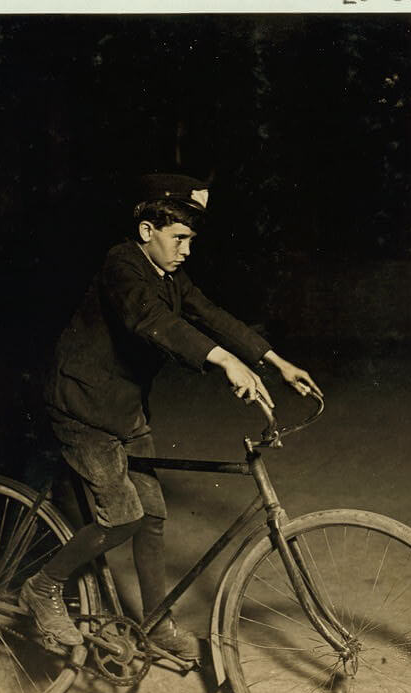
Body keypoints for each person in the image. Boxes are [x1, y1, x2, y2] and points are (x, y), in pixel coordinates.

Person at [21, 173, 322, 659]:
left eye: (190, 240)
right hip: (82, 407)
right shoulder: (122, 265)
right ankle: (41, 588)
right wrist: (223, 360)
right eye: (178, 238)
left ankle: (156, 625)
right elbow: (151, 321)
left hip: (124, 408)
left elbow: (212, 315)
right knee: (122, 518)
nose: (186, 249)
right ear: (147, 232)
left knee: (153, 517)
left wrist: (276, 362)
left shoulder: (172, 276)